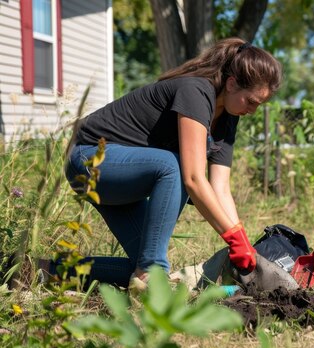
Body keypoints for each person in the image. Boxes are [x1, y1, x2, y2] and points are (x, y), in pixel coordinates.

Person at [56, 37, 281, 289]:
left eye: (258, 105)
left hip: (127, 178)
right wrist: (234, 238)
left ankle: (48, 271)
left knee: (144, 263)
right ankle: (149, 277)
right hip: (89, 159)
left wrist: (241, 240)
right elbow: (194, 179)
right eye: (251, 101)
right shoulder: (196, 91)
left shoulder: (228, 119)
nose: (252, 110)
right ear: (231, 83)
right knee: (173, 166)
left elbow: (221, 189)